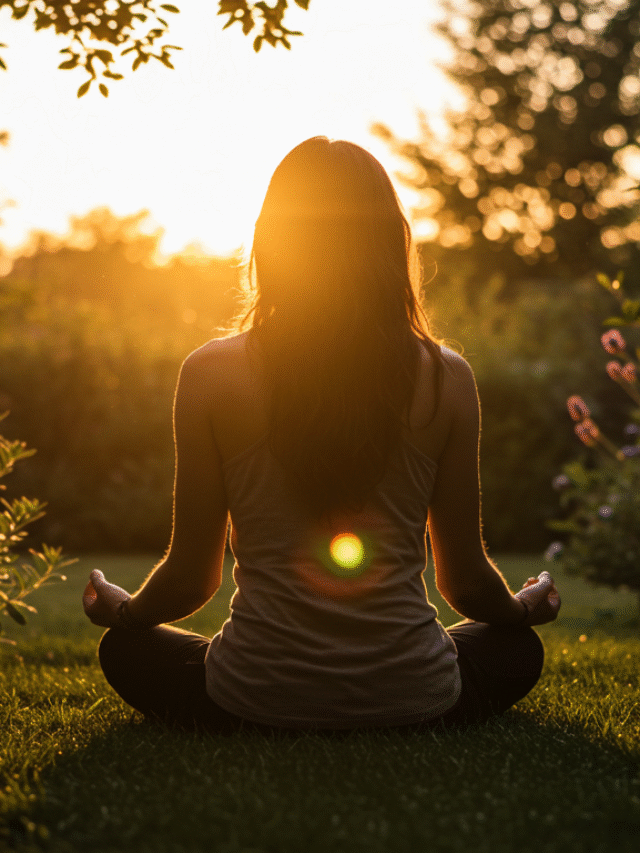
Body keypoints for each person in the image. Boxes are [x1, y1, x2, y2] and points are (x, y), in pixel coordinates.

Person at [83, 137, 561, 737]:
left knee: (126, 652)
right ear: (390, 243)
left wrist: (123, 612)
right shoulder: (446, 378)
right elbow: (464, 581)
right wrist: (523, 608)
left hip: (251, 697)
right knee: (516, 648)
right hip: (414, 693)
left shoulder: (210, 374)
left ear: (273, 242)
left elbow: (189, 578)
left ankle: (267, 686)